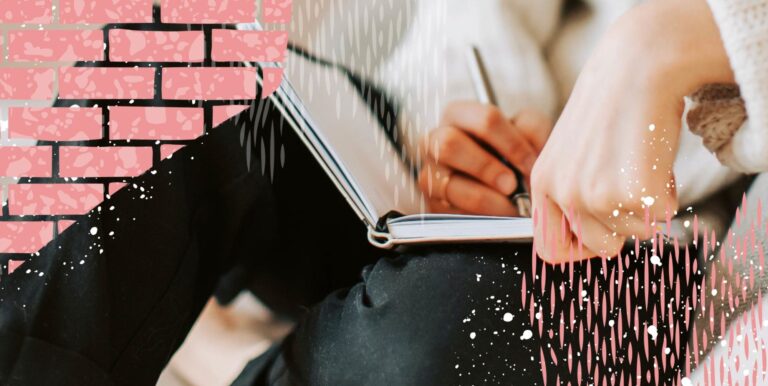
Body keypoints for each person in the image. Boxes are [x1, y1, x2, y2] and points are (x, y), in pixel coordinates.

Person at [1, 1, 764, 385]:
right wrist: (470, 132)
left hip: (668, 250)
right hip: (481, 164)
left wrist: (689, 35)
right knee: (155, 72)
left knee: (454, 323)